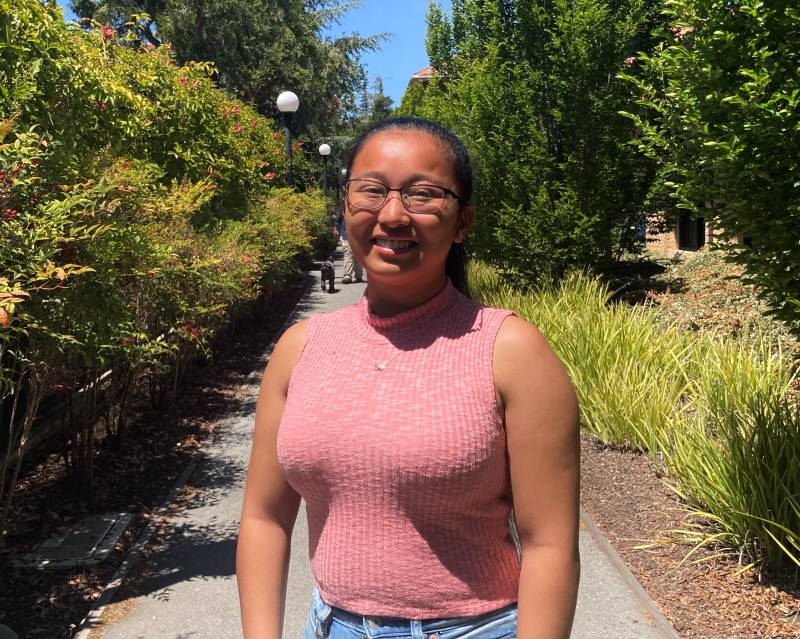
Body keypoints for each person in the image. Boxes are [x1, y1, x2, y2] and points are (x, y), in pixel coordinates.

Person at [237, 117, 581, 639]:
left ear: (462, 222)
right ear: (345, 206)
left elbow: (549, 545)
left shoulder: (509, 351)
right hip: (330, 625)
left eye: (423, 194)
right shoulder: (300, 348)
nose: (393, 214)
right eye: (370, 190)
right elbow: (264, 519)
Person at [333, 203, 363, 283]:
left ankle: (358, 276)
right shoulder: (343, 205)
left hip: (358, 235)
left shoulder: (360, 205)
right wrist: (336, 228)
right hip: (346, 234)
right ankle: (348, 275)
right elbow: (338, 219)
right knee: (348, 253)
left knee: (357, 255)